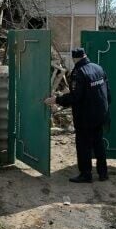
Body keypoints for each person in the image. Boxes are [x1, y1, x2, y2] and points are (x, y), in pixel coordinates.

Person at [44, 48, 111, 183]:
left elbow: (75, 97)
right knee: (98, 143)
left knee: (83, 145)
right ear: (85, 55)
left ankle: (86, 174)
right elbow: (107, 91)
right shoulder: (98, 68)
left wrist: (56, 100)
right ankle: (103, 173)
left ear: (74, 58)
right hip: (100, 113)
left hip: (85, 116)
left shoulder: (79, 73)